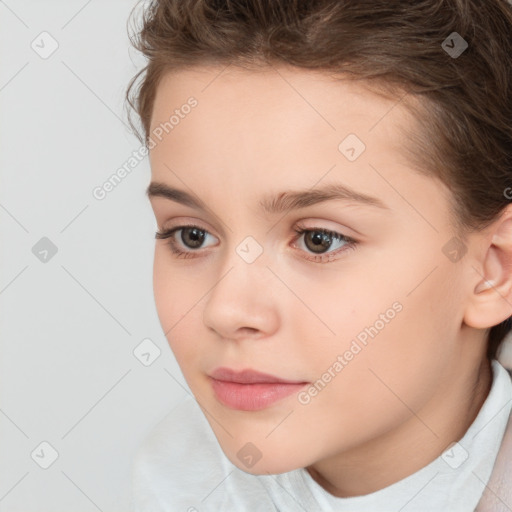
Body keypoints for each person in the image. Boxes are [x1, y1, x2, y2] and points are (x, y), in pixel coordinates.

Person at [125, 0, 512, 510]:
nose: (226, 312)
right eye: (192, 236)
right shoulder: (177, 476)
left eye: (318, 240)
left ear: (493, 271)